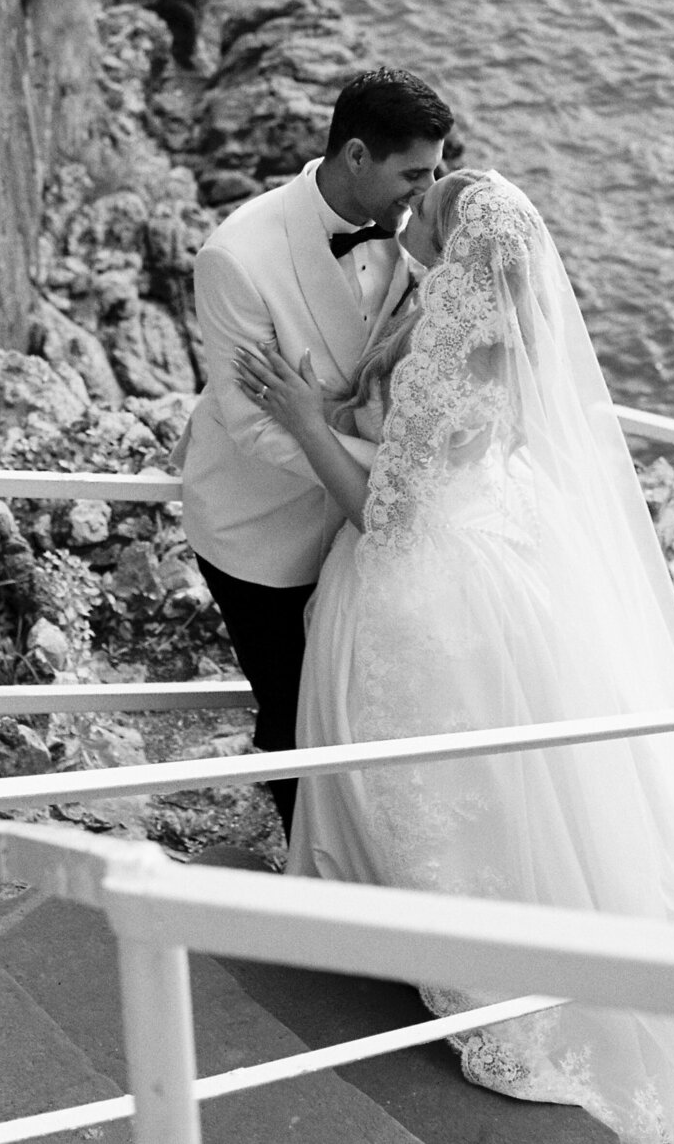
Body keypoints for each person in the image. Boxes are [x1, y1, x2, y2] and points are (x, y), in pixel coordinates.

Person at [236, 169, 674, 1144]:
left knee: (441, 774)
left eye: (431, 209)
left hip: (423, 567)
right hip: (485, 537)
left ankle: (485, 957)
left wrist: (302, 418)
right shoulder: (486, 321)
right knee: (494, 784)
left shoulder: (458, 338)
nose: (416, 208)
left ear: (461, 251)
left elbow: (386, 515)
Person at [172, 68, 454, 836]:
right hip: (260, 530)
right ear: (356, 155)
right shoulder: (236, 257)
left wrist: (379, 453)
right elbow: (252, 423)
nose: (430, 189)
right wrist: (380, 463)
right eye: (415, 173)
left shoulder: (420, 234)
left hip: (363, 532)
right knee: (293, 718)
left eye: (435, 169)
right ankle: (311, 875)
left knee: (357, 707)